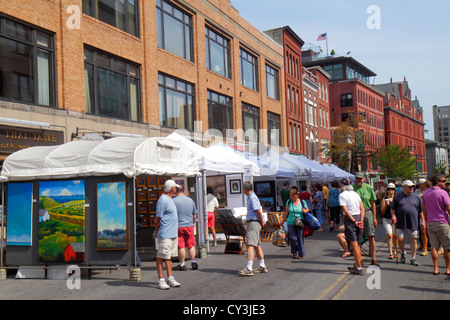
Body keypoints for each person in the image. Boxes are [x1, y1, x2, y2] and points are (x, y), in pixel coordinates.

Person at [154, 180, 181, 290]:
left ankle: (170, 277)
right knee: (161, 255)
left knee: (168, 256)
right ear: (172, 189)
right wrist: (156, 231)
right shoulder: (163, 200)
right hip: (165, 233)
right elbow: (157, 218)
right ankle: (160, 279)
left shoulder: (170, 199)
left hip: (172, 233)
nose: (176, 189)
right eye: (175, 187)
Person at [421, 174, 450, 275]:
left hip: (430, 222)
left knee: (434, 247)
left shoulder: (425, 193)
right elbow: (448, 208)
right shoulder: (443, 193)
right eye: (443, 181)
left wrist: (424, 221)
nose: (444, 183)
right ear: (438, 182)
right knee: (447, 247)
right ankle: (448, 269)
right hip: (442, 222)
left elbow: (424, 210)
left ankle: (436, 268)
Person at [391, 180, 424, 266]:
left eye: (412, 186)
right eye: (409, 186)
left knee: (413, 239)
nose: (411, 188)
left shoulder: (416, 197)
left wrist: (423, 221)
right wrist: (393, 216)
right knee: (400, 239)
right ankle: (402, 252)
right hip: (400, 221)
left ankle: (413, 258)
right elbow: (393, 208)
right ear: (404, 187)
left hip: (413, 221)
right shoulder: (398, 196)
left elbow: (420, 211)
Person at [239, 181, 268, 276]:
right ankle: (262, 265)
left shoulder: (252, 197)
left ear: (244, 189)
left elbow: (258, 211)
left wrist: (262, 221)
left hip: (254, 222)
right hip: (255, 222)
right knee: (256, 245)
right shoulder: (253, 197)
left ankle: (249, 267)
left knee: (250, 244)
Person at [339, 178, 365, 275]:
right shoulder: (355, 194)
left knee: (354, 245)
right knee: (357, 244)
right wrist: (360, 221)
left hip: (351, 219)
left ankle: (359, 267)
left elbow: (345, 211)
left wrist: (354, 221)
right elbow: (362, 209)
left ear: (342, 186)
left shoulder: (342, 195)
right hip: (358, 216)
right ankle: (358, 264)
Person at [353, 172, 379, 266]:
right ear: (355, 179)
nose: (359, 180)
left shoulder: (368, 188)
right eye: (357, 178)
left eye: (360, 179)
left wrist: (374, 218)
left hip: (367, 212)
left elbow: (373, 203)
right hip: (356, 213)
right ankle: (359, 259)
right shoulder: (352, 188)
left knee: (371, 235)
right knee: (358, 237)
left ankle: (373, 258)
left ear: (363, 179)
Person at [173, 185, 198, 271]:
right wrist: (193, 223)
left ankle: (182, 264)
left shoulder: (173, 201)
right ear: (184, 190)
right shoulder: (190, 200)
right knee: (191, 245)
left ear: (175, 191)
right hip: (190, 225)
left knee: (181, 246)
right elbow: (194, 214)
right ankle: (193, 261)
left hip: (179, 226)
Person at [282, 190, 309, 259]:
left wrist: (305, 211)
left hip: (300, 222)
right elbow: (286, 212)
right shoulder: (289, 202)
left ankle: (301, 253)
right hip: (290, 222)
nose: (291, 197)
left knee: (300, 238)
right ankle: (294, 251)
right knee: (292, 237)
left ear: (296, 195)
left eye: (293, 196)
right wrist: (282, 221)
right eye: (290, 196)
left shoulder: (302, 202)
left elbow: (307, 209)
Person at [380, 183, 397, 259]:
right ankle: (390, 252)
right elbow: (382, 212)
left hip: (395, 219)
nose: (390, 191)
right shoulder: (384, 199)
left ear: (394, 190)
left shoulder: (397, 199)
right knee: (389, 235)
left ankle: (395, 250)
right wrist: (386, 205)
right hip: (386, 219)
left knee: (395, 236)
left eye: (392, 189)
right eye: (389, 189)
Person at [415, 179, 431, 256]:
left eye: (421, 184)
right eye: (419, 184)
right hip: (420, 212)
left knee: (430, 230)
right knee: (422, 229)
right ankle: (424, 246)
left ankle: (430, 245)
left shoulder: (430, 191)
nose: (420, 186)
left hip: (430, 213)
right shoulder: (417, 191)